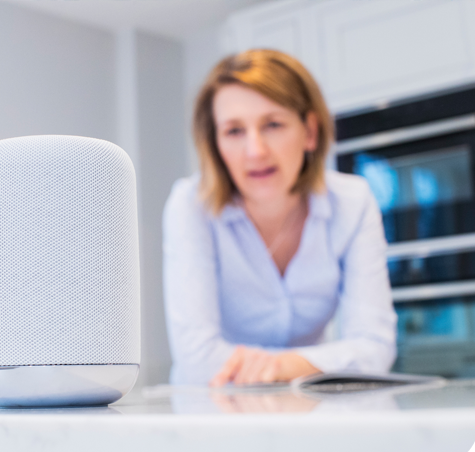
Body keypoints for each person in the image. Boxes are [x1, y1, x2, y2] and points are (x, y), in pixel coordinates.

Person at [162, 49, 396, 386]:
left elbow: (375, 348)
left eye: (272, 124)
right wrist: (308, 365)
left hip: (308, 404)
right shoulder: (190, 205)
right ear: (215, 144)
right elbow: (197, 357)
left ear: (310, 132)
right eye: (234, 131)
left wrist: (282, 367)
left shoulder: (353, 202)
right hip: (213, 406)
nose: (255, 151)